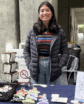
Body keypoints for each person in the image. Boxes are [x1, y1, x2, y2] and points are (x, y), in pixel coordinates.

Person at [23, 1, 69, 84]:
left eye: (48, 10)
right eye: (42, 10)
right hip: (37, 67)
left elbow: (65, 51)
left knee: (53, 94)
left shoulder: (59, 31)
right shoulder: (33, 31)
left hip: (53, 67)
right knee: (37, 94)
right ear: (39, 14)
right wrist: (30, 65)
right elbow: (26, 50)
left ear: (52, 13)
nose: (45, 13)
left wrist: (59, 66)